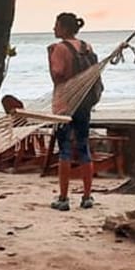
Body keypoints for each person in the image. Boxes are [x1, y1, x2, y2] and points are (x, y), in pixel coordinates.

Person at [47, 12, 100, 211]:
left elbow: (57, 76)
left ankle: (63, 198)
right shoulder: (87, 47)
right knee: (84, 148)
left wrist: (49, 57)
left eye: (56, 25)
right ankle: (87, 197)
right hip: (84, 104)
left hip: (65, 105)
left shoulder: (60, 48)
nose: (54, 29)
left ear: (64, 28)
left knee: (65, 150)